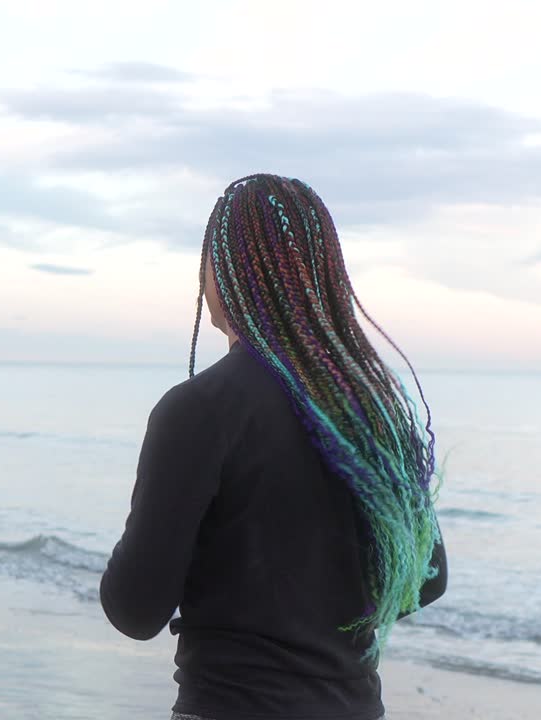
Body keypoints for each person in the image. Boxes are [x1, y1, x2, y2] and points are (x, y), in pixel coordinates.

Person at [100, 173, 447, 720]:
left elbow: (136, 609)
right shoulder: (373, 409)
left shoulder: (199, 409)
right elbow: (426, 580)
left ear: (225, 272)